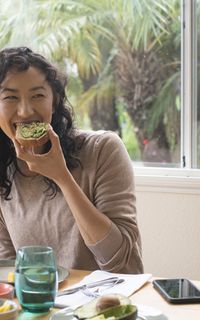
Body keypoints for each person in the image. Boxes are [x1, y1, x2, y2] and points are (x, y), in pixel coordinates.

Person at [0, 46, 143, 274]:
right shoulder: (4, 172)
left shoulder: (102, 149)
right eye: (10, 98)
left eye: (37, 95)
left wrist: (62, 176)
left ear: (54, 101)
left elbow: (116, 259)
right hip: (44, 304)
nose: (25, 112)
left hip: (112, 303)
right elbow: (7, 271)